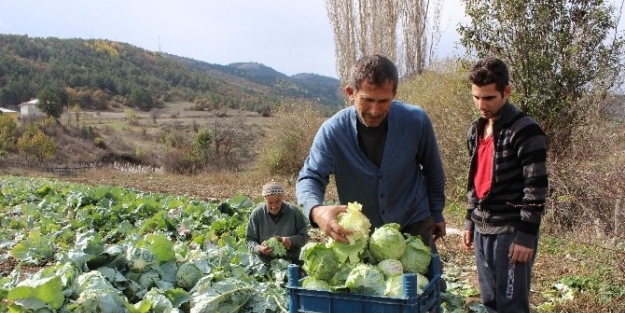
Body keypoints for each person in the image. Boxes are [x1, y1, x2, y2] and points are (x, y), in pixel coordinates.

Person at [295, 54, 446, 257]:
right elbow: (311, 177)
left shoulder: (416, 121)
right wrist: (316, 210)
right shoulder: (332, 131)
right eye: (367, 100)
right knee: (370, 287)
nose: (375, 111)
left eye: (384, 101)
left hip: (413, 221)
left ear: (394, 93)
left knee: (424, 284)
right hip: (361, 232)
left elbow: (432, 170)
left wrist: (436, 213)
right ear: (351, 92)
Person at [462, 57, 548, 313]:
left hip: (510, 231)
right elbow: (475, 180)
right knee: (489, 302)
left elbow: (536, 186)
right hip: (482, 229)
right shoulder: (475, 130)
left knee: (511, 305)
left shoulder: (526, 131)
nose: (481, 105)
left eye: (488, 98)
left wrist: (526, 236)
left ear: (506, 91)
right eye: (476, 97)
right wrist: (469, 220)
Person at [245, 181, 309, 266]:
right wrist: (260, 248)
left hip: (292, 261)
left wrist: (291, 240)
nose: (274, 206)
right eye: (270, 203)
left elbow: (304, 237)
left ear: (282, 198)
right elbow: (249, 240)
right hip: (265, 263)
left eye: (277, 201)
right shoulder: (257, 214)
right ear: (264, 200)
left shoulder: (294, 212)